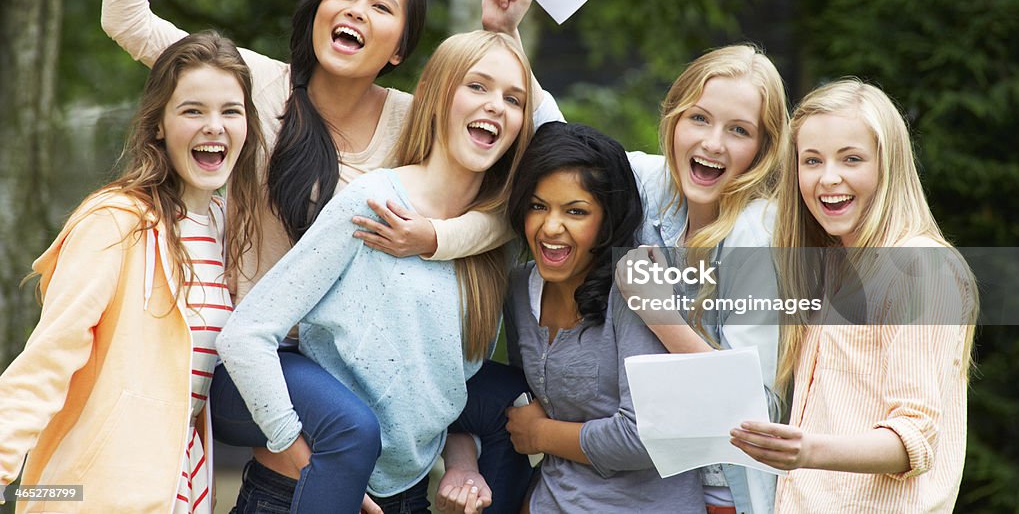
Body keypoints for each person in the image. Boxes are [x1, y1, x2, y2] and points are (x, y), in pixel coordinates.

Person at [103, 0, 556, 511]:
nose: (354, 10)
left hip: (348, 367)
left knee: (500, 395)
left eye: (380, 6)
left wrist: (503, 36)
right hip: (256, 361)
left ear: (401, 47)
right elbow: (128, 21)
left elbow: (543, 164)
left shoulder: (418, 122)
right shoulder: (253, 88)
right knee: (350, 429)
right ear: (315, 9)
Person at [217, 30, 536, 513]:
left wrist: (463, 462)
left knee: (514, 395)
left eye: (513, 99)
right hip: (299, 491)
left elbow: (443, 383)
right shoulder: (373, 204)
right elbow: (245, 335)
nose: (495, 105)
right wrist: (301, 455)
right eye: (477, 86)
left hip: (405, 498)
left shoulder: (493, 243)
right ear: (435, 95)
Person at [0, 32, 264, 513]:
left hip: (182, 491)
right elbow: (45, 361)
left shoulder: (227, 229)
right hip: (93, 495)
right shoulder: (115, 222)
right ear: (158, 125)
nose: (214, 126)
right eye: (192, 110)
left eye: (230, 111)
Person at [729, 79, 977, 513]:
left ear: (888, 165)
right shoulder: (835, 266)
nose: (828, 178)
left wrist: (806, 451)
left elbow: (913, 438)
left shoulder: (920, 267)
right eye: (812, 161)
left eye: (852, 159)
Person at [492, 121, 704, 512]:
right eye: (538, 206)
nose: (550, 227)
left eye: (575, 211)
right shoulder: (520, 289)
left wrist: (541, 434)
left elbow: (646, 436)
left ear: (607, 221)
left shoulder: (635, 288)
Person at [615, 45, 789, 514]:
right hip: (652, 489)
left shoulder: (759, 233)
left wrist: (660, 316)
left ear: (763, 149)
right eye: (699, 118)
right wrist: (508, 31)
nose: (713, 143)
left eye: (738, 130)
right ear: (673, 121)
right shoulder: (658, 188)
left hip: (722, 495)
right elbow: (563, 149)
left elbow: (757, 408)